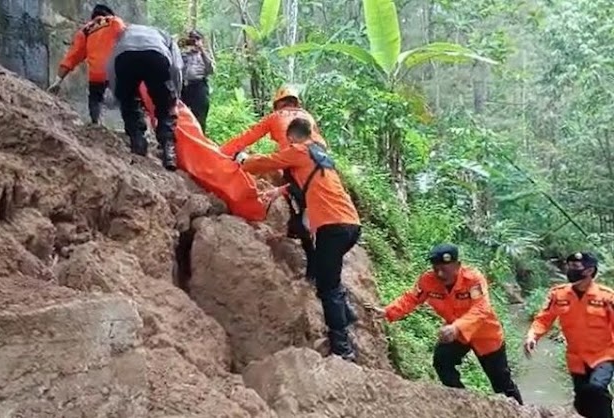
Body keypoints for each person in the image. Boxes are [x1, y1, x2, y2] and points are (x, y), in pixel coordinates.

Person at [238, 117, 361, 361]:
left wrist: (243, 161)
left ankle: (343, 348)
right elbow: (304, 182)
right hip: (351, 224)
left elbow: (268, 162)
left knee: (327, 288)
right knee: (330, 276)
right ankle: (347, 315)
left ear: (292, 136)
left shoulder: (298, 150)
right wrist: (279, 190)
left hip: (331, 225)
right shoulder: (319, 154)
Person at [366, 243, 523, 404]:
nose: (440, 274)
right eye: (436, 269)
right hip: (456, 333)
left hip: (485, 334)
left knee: (502, 382)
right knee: (442, 362)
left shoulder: (472, 281)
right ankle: (463, 402)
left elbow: (481, 308)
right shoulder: (428, 280)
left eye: (445, 269)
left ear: (458, 265)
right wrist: (387, 311)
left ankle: (520, 412)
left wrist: (457, 327)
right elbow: (412, 298)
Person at [221, 85, 325, 283]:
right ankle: (311, 255)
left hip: (295, 165)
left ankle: (314, 269)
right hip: (320, 168)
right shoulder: (307, 118)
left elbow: (247, 137)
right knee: (309, 214)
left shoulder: (275, 117)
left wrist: (222, 151)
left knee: (303, 217)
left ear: (278, 103)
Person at [525, 252, 614, 418]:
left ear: (589, 271)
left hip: (603, 356)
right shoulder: (558, 295)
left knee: (596, 389)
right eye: (569, 266)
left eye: (576, 267)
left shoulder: (606, 297)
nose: (570, 270)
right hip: (576, 358)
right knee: (582, 402)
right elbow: (544, 319)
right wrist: (532, 335)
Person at [106, 24, 183, 171]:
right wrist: (174, 97)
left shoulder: (124, 35)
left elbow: (111, 65)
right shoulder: (164, 35)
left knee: (129, 103)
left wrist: (119, 94)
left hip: (125, 57)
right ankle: (169, 153)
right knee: (164, 106)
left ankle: (138, 143)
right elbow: (177, 67)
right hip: (156, 56)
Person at [47, 4, 125, 125]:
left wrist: (58, 81)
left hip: (97, 73)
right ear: (110, 14)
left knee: (95, 98)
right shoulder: (116, 21)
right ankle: (134, 128)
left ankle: (96, 123)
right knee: (128, 98)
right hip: (116, 70)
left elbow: (72, 57)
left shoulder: (85, 31)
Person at [177, 29, 215, 133]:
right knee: (181, 115)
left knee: (200, 117)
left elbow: (211, 70)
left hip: (199, 87)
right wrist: (179, 46)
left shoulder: (205, 55)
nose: (194, 42)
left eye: (197, 39)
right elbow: (176, 68)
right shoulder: (183, 54)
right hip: (185, 87)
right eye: (192, 39)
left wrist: (201, 50)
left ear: (201, 40)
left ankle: (200, 140)